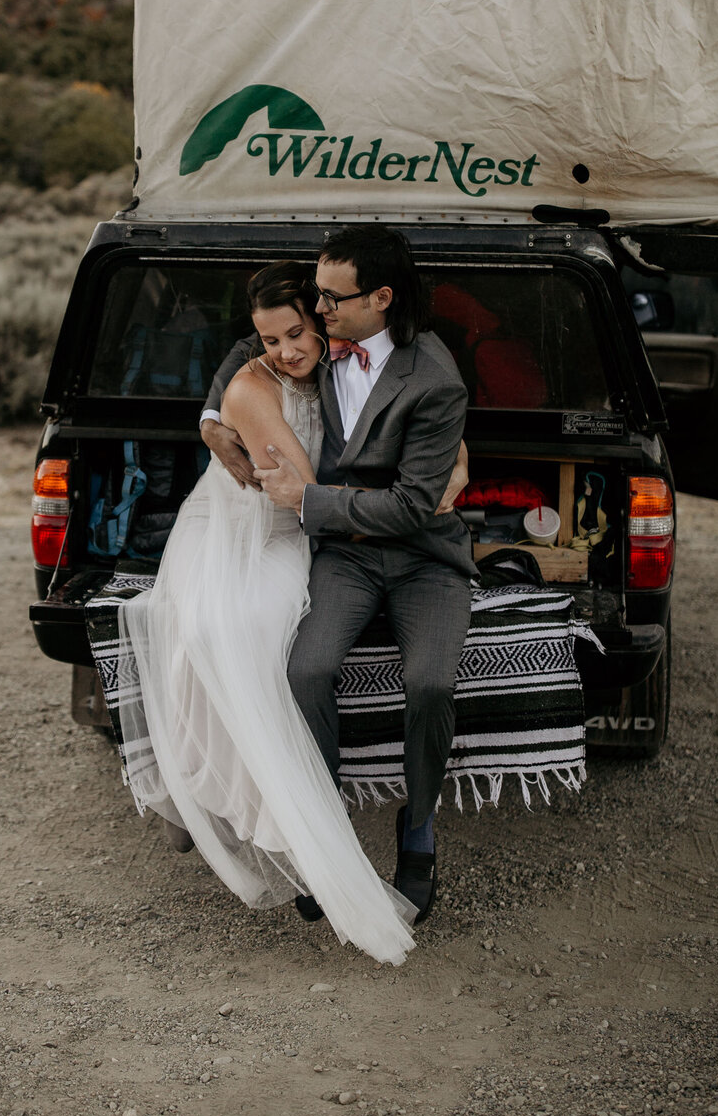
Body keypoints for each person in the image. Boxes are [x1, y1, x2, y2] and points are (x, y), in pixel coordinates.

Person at [118, 261, 418, 965]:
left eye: (295, 332)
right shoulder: (251, 387)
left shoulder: (353, 358)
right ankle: (259, 809)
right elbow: (303, 499)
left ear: (320, 316)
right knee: (219, 629)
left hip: (299, 530)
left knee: (251, 631)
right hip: (245, 528)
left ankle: (252, 802)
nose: (285, 349)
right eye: (269, 338)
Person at [202, 224, 474, 925]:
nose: (316, 310)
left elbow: (416, 505)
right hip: (346, 557)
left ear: (379, 299)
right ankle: (325, 830)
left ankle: (418, 826)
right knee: (307, 670)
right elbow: (252, 346)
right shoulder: (314, 346)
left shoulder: (436, 376)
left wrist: (310, 501)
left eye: (329, 297)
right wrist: (211, 414)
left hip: (423, 557)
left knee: (432, 683)